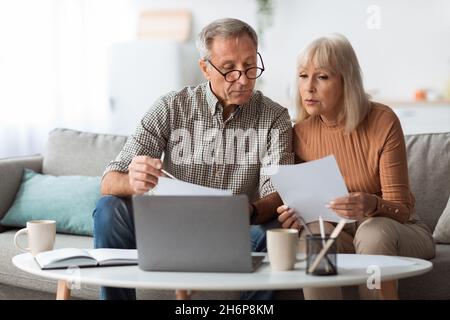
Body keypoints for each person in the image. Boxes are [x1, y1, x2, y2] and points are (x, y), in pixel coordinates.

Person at [93, 18, 294, 300]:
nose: (244, 79)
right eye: (229, 70)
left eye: (250, 65)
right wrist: (135, 182)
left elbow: (278, 193)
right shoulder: (170, 107)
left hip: (234, 233)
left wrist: (245, 211)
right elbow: (109, 180)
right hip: (168, 228)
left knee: (271, 233)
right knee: (109, 209)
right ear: (205, 68)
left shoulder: (275, 117)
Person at [277, 34, 435, 300]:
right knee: (313, 237)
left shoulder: (382, 121)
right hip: (341, 231)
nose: (309, 87)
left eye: (322, 77)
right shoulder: (300, 132)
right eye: (303, 76)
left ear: (346, 81)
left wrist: (372, 205)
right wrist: (292, 214)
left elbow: (402, 208)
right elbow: (308, 201)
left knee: (373, 232)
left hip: (398, 229)